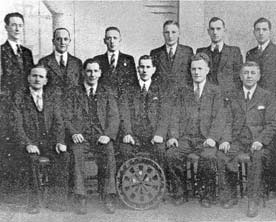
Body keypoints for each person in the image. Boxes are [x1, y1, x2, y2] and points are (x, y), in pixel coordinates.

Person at [217, 61, 276, 217]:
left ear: (259, 76)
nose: (249, 76)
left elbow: (272, 124)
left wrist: (261, 141)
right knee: (223, 154)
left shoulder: (267, 96)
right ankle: (231, 195)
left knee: (257, 158)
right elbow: (227, 120)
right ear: (240, 76)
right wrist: (225, 140)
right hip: (237, 139)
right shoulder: (232, 95)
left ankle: (253, 200)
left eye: (252, 73)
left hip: (258, 142)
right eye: (246, 73)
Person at [166, 53, 225, 207]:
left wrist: (213, 138)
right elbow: (175, 115)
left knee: (209, 157)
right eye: (193, 69)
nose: (196, 72)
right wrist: (173, 136)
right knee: (172, 155)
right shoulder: (183, 90)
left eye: (200, 68)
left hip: (205, 138)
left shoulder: (215, 91)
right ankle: (180, 193)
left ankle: (207, 195)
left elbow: (219, 117)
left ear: (207, 70)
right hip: (186, 137)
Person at [64, 58, 120, 214]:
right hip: (81, 136)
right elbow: (65, 117)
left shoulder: (107, 92)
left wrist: (108, 135)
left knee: (109, 152)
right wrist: (74, 132)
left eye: (95, 71)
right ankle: (81, 197)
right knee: (76, 153)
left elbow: (114, 117)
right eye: (89, 71)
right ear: (83, 73)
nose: (92, 74)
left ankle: (108, 196)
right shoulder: (73, 92)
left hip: (100, 135)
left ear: (100, 73)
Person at [12, 66, 69, 214]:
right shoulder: (19, 98)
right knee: (32, 159)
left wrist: (59, 142)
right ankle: (34, 202)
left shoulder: (51, 98)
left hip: (49, 143)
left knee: (64, 155)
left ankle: (57, 200)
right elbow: (16, 125)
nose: (37, 79)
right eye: (34, 75)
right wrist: (27, 143)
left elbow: (58, 123)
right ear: (29, 78)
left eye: (41, 77)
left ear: (46, 81)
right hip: (30, 143)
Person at [120, 55, 170, 166]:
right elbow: (124, 114)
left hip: (154, 135)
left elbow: (164, 115)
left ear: (153, 69)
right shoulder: (128, 89)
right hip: (134, 136)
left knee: (161, 151)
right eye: (142, 67)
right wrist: (127, 133)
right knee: (124, 150)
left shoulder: (161, 89)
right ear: (137, 69)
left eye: (148, 67)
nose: (144, 70)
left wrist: (159, 134)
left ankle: (161, 183)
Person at [246, 17, 276, 195]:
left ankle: (271, 187)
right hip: (257, 103)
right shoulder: (250, 54)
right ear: (254, 32)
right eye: (257, 29)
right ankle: (260, 187)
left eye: (264, 29)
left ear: (270, 31)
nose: (261, 33)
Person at [197, 17, 243, 99]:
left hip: (227, 99)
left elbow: (239, 79)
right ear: (208, 31)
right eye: (212, 29)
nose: (215, 32)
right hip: (207, 98)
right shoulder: (201, 52)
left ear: (224, 31)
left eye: (218, 29)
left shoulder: (234, 51)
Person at [93, 26, 137, 95]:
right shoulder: (97, 60)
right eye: (109, 38)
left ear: (120, 40)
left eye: (115, 38)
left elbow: (134, 84)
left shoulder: (129, 59)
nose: (112, 41)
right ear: (104, 41)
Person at [150, 20, 193, 89]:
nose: (170, 36)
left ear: (179, 33)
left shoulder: (187, 51)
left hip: (181, 95)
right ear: (163, 34)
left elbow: (190, 77)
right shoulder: (155, 53)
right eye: (167, 32)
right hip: (162, 96)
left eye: (173, 32)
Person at [38, 27, 82, 93]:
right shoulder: (44, 62)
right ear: (53, 41)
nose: (62, 42)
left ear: (69, 41)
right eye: (58, 39)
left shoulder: (77, 62)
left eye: (65, 39)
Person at [1, 12, 34, 96]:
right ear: (6, 27)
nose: (17, 29)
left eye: (20, 26)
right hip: (6, 99)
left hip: (26, 98)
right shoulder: (1, 50)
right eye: (14, 25)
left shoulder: (27, 52)